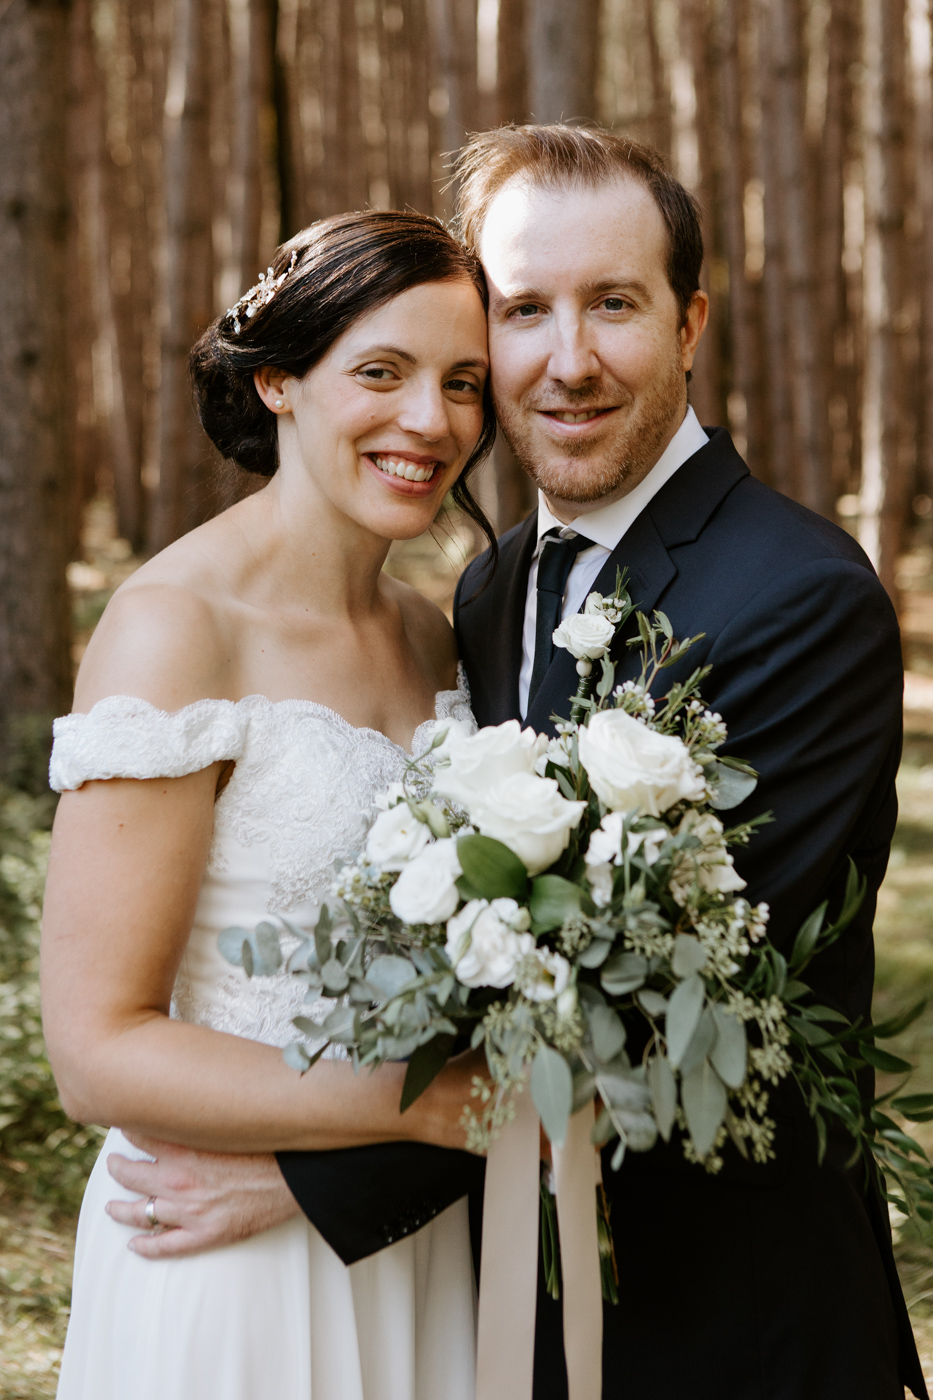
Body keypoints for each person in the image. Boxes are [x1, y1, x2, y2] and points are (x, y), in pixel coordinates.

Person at [93, 127, 925, 1400]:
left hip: (723, 1329)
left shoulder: (800, 596)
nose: (569, 359)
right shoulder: (482, 592)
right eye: (526, 310)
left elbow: (678, 986)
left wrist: (311, 1171)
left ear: (691, 322)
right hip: (478, 1302)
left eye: (615, 305)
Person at [41, 209, 496, 1400]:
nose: (431, 421)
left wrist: (430, 1129)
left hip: (413, 1236)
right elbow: (97, 1050)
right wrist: (437, 1108)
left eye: (463, 381)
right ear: (281, 377)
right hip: (224, 1256)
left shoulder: (434, 635)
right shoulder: (176, 625)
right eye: (382, 373)